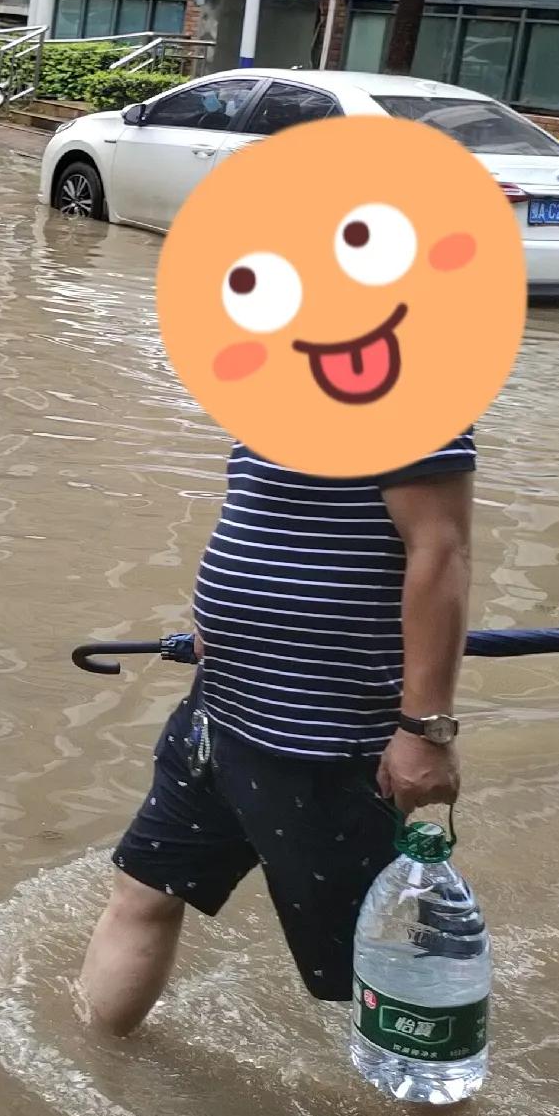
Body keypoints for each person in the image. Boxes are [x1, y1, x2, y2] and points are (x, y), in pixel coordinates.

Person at [77, 434, 475, 1032]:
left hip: (321, 740)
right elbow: (264, 516)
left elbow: (440, 552)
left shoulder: (409, 392)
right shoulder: (269, 385)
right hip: (219, 713)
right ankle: (92, 1069)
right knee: (145, 891)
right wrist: (221, 619)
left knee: (380, 971)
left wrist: (424, 729)